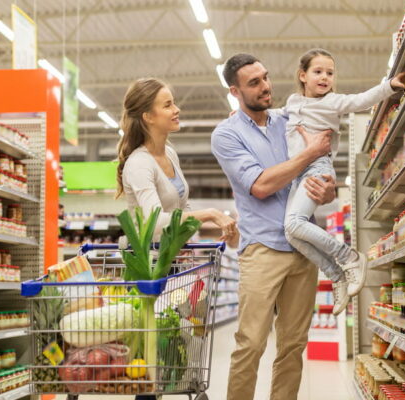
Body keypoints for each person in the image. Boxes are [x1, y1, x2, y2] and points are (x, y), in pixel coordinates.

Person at [212, 53, 337, 400]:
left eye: (265, 77)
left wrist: (327, 190)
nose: (266, 86)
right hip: (262, 249)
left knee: (293, 344)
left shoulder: (289, 119)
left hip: (303, 248)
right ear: (236, 92)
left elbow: (321, 174)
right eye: (254, 83)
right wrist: (308, 155)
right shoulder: (226, 135)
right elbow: (262, 185)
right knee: (250, 343)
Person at [283, 48, 405, 314]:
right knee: (290, 233)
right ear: (302, 75)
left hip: (317, 167)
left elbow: (360, 100)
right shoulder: (293, 101)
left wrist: (389, 86)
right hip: (297, 171)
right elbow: (277, 115)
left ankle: (348, 256)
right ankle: (336, 275)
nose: (325, 77)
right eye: (318, 72)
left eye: (330, 72)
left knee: (295, 223)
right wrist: (243, 116)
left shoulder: (333, 102)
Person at [116, 77, 238, 246]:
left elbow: (182, 207)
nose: (176, 109)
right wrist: (210, 214)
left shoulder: (170, 154)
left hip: (172, 258)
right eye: (168, 105)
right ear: (148, 117)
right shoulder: (140, 164)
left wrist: (185, 240)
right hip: (148, 264)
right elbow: (156, 222)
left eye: (173, 103)